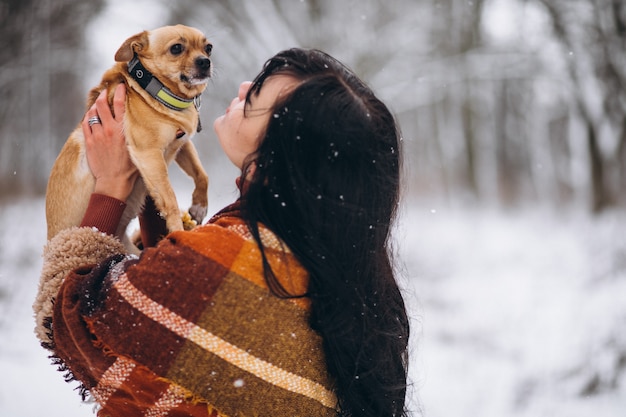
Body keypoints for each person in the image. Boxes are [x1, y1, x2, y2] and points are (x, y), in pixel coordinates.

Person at [34, 48, 410, 417]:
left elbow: (69, 319)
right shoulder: (326, 260)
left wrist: (112, 185)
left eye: (258, 94)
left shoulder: (222, 262)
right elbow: (172, 284)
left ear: (279, 157)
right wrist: (145, 159)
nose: (244, 86)